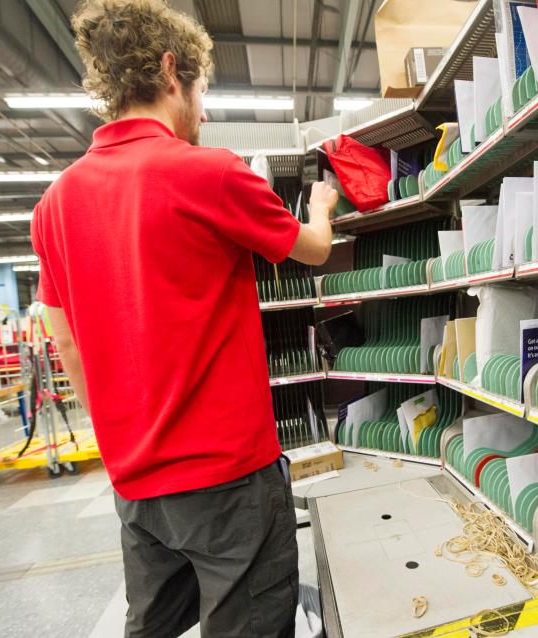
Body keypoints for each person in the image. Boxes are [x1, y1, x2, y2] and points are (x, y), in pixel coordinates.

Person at [30, 1, 337, 636]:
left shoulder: (55, 203)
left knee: (153, 628)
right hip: (227, 479)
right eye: (202, 91)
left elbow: (65, 337)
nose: (203, 111)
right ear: (172, 71)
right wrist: (326, 205)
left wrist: (118, 442)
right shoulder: (209, 172)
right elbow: (313, 248)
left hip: (137, 485)